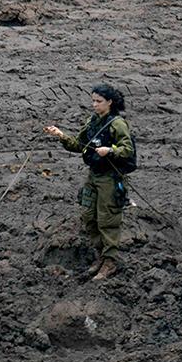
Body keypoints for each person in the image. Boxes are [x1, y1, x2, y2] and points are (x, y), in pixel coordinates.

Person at [45, 84, 134, 280]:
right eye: (93, 101)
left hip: (110, 177)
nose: (94, 105)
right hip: (94, 175)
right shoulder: (93, 121)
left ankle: (110, 261)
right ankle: (100, 257)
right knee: (89, 216)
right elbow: (79, 145)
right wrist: (61, 135)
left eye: (98, 101)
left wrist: (110, 150)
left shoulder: (117, 124)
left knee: (107, 219)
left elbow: (128, 149)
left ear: (109, 102)